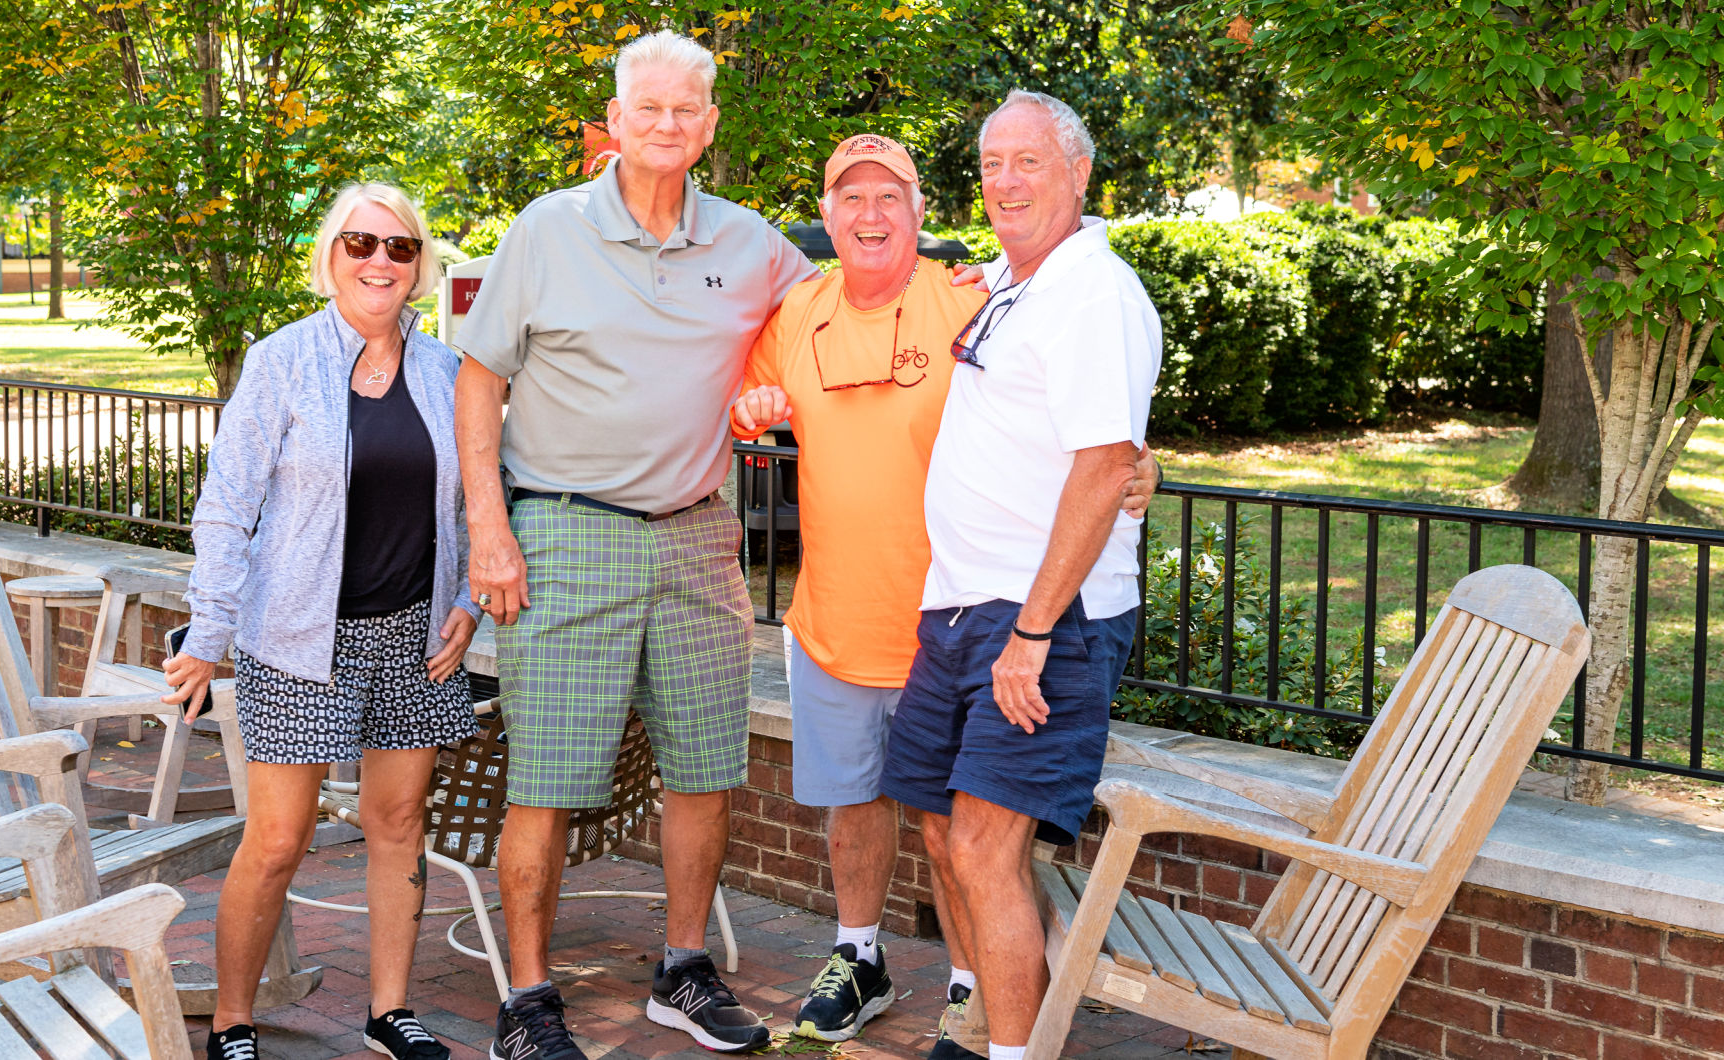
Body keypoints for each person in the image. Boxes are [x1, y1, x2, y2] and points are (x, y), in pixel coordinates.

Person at [729, 135, 1158, 1050]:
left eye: (892, 196)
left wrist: (1130, 464)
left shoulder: (973, 296)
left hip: (988, 617)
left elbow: (1086, 427)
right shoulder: (819, 310)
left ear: (921, 212)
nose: (872, 214)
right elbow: (743, 399)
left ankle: (983, 1008)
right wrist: (753, 409)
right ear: (829, 214)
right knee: (889, 819)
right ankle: (875, 965)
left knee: (968, 844)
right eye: (852, 198)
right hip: (865, 617)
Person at [451, 29, 819, 1060]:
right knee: (549, 777)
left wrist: (950, 290)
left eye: (684, 110)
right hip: (566, 532)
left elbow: (836, 313)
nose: (664, 125)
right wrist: (490, 527)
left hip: (702, 537)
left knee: (706, 770)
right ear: (611, 122)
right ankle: (527, 1002)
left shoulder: (749, 242)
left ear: (706, 126)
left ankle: (684, 969)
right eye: (645, 108)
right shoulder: (546, 230)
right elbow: (479, 383)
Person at [163, 183, 480, 1060]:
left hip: (414, 637)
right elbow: (226, 505)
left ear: (419, 268)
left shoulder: (448, 372)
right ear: (330, 257)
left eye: (400, 248)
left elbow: (481, 505)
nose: (380, 260)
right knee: (276, 840)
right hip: (301, 637)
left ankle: (390, 1010)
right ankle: (233, 1019)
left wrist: (467, 602)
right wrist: (209, 631)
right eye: (361, 243)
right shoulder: (282, 361)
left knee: (398, 823)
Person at [879, 90, 1162, 1060]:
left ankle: (1009, 1051)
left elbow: (1099, 463)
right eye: (992, 162)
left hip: (1044, 619)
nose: (1004, 181)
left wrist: (1035, 633)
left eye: (1028, 162)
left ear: (1078, 173)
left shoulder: (1093, 288)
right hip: (960, 606)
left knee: (985, 847)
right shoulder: (1013, 282)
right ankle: (991, 1018)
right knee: (937, 828)